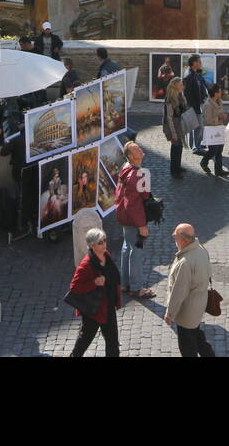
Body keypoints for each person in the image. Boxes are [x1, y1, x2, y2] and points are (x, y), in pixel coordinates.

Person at [68, 227, 122, 357]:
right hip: (93, 310)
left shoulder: (106, 255)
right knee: (84, 340)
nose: (104, 244)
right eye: (100, 242)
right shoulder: (86, 265)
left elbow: (115, 275)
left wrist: (106, 280)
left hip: (108, 306)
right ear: (91, 245)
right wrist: (93, 283)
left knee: (113, 342)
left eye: (104, 240)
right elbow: (74, 287)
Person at [164, 223, 215, 357]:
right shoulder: (201, 249)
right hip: (198, 306)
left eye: (175, 236)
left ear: (183, 240)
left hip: (187, 313)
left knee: (187, 348)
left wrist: (170, 314)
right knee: (198, 337)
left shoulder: (185, 263)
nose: (174, 239)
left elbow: (179, 292)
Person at [113, 141, 154, 300]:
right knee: (136, 250)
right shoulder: (139, 173)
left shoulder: (126, 167)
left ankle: (124, 283)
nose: (140, 149)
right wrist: (142, 225)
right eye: (136, 149)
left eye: (139, 147)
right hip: (133, 218)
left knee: (126, 247)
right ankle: (136, 288)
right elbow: (134, 203)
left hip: (123, 215)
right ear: (130, 156)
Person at [199, 83, 229, 177]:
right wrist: (219, 117)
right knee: (213, 151)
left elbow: (219, 113)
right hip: (211, 131)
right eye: (220, 91)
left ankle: (218, 170)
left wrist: (223, 116)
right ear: (215, 93)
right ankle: (204, 162)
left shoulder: (219, 101)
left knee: (219, 150)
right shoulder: (208, 105)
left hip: (219, 129)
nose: (221, 92)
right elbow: (207, 121)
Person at [161, 76, 186, 178]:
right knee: (175, 147)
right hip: (173, 126)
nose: (182, 87)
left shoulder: (180, 96)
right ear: (175, 86)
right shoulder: (170, 99)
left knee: (179, 146)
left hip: (179, 125)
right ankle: (174, 170)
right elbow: (169, 118)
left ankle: (177, 166)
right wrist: (173, 133)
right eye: (180, 85)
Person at [183, 54, 207, 155]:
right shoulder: (189, 75)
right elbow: (187, 92)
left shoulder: (196, 73)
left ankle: (196, 144)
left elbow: (201, 86)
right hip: (193, 104)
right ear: (194, 63)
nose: (201, 63)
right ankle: (196, 147)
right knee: (198, 125)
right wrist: (195, 105)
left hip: (197, 103)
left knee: (197, 125)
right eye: (199, 61)